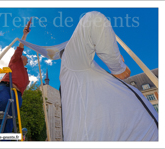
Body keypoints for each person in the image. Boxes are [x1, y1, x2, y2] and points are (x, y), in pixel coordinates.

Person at [59, 11, 158, 141]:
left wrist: (115, 73)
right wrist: (118, 68)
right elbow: (94, 20)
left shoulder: (88, 78)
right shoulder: (71, 62)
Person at [0, 26, 30, 133]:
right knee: (4, 101)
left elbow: (24, 84)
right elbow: (19, 49)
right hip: (6, 86)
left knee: (13, 113)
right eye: (23, 57)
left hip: (17, 93)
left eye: (25, 59)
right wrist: (25, 35)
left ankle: (7, 136)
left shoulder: (25, 73)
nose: (24, 58)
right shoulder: (15, 61)